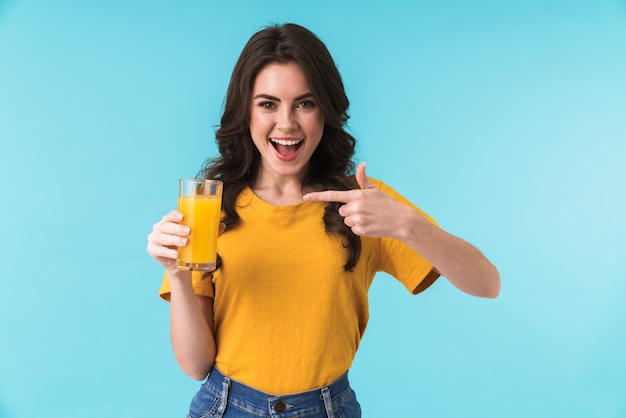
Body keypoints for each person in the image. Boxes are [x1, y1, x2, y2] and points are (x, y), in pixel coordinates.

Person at [147, 23, 500, 418]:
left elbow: (487, 284)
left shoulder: (362, 202)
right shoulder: (212, 207)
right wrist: (177, 274)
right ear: (245, 112)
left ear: (325, 111)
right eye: (267, 104)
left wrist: (408, 225)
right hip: (226, 406)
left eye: (305, 103)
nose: (286, 124)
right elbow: (195, 366)